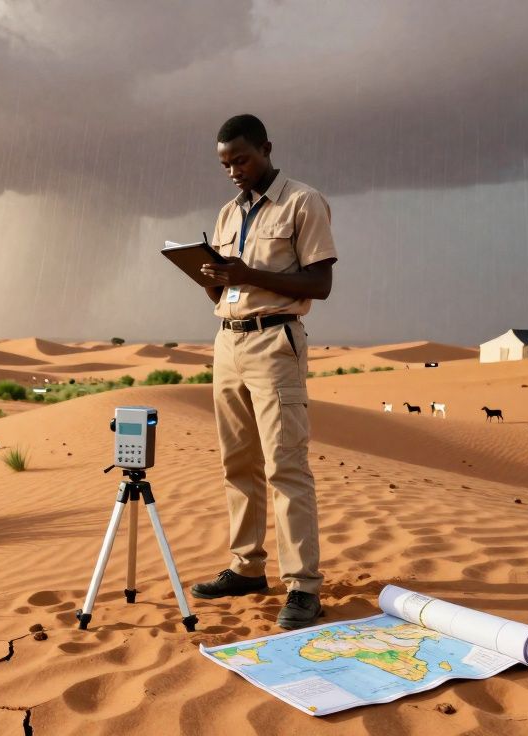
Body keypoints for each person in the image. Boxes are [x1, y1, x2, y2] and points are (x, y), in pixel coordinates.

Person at [191, 114, 338, 630]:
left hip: (276, 343)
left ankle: (303, 586)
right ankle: (247, 566)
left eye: (242, 159)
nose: (233, 171)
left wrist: (245, 273)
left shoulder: (303, 202)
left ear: (267, 149)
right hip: (227, 341)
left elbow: (319, 283)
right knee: (238, 463)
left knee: (285, 465)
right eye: (225, 163)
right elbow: (230, 288)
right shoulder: (229, 213)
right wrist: (211, 278)